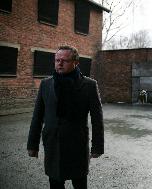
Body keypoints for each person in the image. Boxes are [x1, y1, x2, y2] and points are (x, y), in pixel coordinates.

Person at [27, 45, 104, 189]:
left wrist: (97, 147)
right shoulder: (46, 84)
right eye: (57, 60)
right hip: (53, 143)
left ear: (76, 63)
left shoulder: (89, 85)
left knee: (79, 183)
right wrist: (32, 144)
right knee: (55, 182)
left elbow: (97, 119)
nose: (60, 63)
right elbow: (37, 116)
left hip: (77, 145)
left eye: (65, 60)